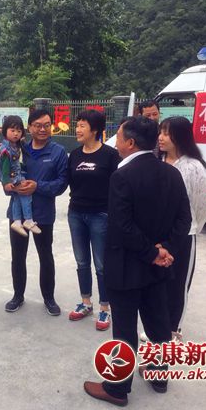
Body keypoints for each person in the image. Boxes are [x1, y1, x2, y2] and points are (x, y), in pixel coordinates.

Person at [83, 116, 191, 407]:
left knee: (125, 330)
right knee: (158, 324)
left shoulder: (122, 176)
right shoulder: (171, 173)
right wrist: (165, 249)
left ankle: (117, 389)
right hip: (158, 268)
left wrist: (152, 253)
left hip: (126, 267)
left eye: (118, 136)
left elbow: (122, 226)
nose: (115, 141)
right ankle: (159, 376)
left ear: (130, 143)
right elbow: (184, 219)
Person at [4, 109, 68, 315]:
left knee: (45, 255)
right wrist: (9, 187)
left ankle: (49, 298)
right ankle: (17, 296)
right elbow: (6, 172)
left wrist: (37, 186)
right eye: (38, 125)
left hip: (42, 214)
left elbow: (62, 183)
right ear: (29, 128)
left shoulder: (58, 152)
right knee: (18, 256)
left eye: (47, 125)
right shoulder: (19, 149)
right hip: (18, 214)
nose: (43, 129)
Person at [158, 116, 206, 341]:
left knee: (178, 284)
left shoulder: (193, 167)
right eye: (160, 132)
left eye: (166, 133)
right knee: (158, 283)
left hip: (184, 235)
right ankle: (158, 326)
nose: (161, 138)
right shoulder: (157, 161)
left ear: (180, 136)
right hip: (159, 234)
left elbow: (201, 204)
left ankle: (173, 330)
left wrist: (192, 228)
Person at [66, 110, 120, 330]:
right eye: (77, 125)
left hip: (100, 215)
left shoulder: (110, 155)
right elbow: (67, 182)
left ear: (95, 130)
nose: (77, 129)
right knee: (81, 261)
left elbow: (118, 187)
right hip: (76, 213)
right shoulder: (74, 155)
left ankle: (105, 308)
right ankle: (85, 302)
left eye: (82, 126)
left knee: (101, 265)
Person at [0, 115, 41, 237]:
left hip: (16, 175)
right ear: (5, 131)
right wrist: (6, 182)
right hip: (14, 177)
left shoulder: (16, 145)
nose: (16, 134)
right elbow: (5, 167)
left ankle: (17, 221)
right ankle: (28, 219)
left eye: (19, 131)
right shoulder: (6, 149)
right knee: (26, 194)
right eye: (12, 130)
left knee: (17, 197)